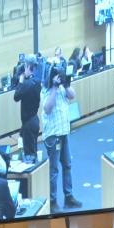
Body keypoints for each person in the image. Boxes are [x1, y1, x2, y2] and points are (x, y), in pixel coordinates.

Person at [41, 74, 78, 208]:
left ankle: (69, 197)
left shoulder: (63, 87)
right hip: (53, 135)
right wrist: (54, 88)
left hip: (64, 132)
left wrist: (66, 84)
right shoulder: (46, 90)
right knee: (54, 169)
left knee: (67, 165)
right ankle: (52, 202)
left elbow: (72, 95)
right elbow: (47, 109)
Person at [13, 61, 42, 163]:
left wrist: (21, 81)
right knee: (33, 150)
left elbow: (16, 97)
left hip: (28, 123)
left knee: (30, 156)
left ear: (28, 67)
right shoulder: (37, 82)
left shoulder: (26, 84)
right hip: (35, 120)